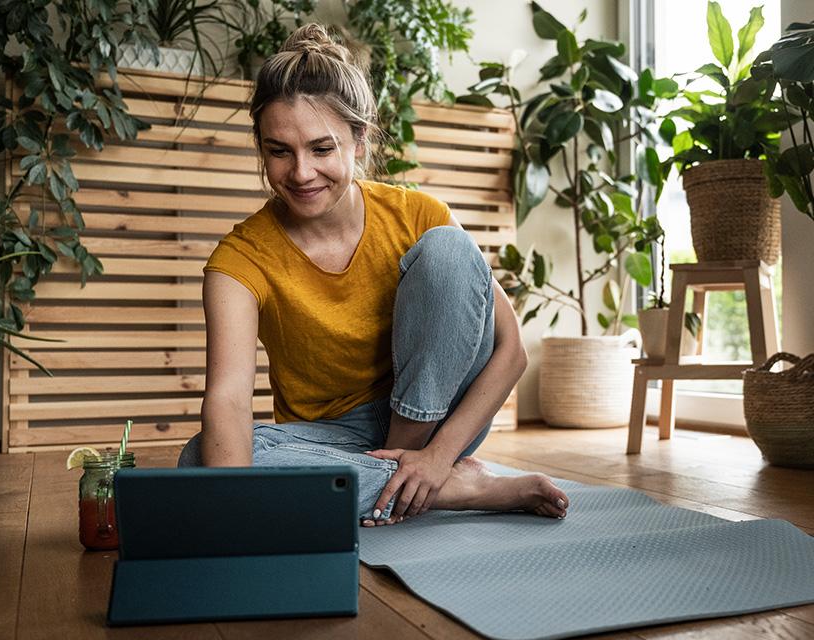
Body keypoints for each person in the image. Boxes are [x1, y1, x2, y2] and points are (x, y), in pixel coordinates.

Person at [178, 23, 569, 526]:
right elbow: (228, 399)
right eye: (279, 151)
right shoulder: (240, 259)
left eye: (321, 149)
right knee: (200, 459)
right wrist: (231, 509)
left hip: (437, 417)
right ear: (261, 147)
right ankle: (455, 490)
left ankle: (413, 471)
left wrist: (436, 454)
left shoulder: (417, 214)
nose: (300, 173)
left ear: (359, 140)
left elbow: (511, 350)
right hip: (327, 436)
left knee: (450, 249)